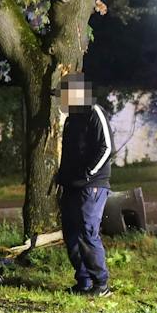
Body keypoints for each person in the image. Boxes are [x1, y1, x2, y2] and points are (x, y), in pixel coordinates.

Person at [54, 75, 114, 295]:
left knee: (87, 232)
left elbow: (106, 147)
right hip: (70, 185)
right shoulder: (72, 118)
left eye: (63, 96)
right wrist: (61, 177)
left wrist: (89, 172)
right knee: (71, 233)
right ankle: (84, 281)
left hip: (92, 186)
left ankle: (101, 284)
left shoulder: (93, 112)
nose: (61, 101)